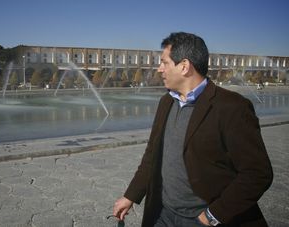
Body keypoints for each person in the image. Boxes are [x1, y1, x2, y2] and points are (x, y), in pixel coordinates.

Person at [113, 32, 273, 227]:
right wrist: (131, 195)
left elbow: (257, 173)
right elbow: (152, 156)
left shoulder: (231, 107)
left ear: (184, 66)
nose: (159, 69)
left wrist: (213, 216)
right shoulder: (166, 102)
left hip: (201, 219)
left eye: (164, 62)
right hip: (162, 213)